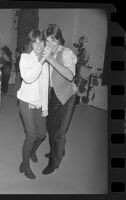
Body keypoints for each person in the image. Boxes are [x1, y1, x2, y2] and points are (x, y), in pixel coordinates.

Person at [42, 24, 78, 175]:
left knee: (58, 132)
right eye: (47, 41)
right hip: (51, 94)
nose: (50, 45)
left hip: (66, 96)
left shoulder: (67, 53)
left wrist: (50, 59)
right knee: (51, 128)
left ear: (59, 39)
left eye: (53, 41)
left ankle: (54, 162)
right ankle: (58, 151)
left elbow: (70, 75)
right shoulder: (46, 51)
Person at [17, 29, 51, 179]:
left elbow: (45, 87)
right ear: (31, 43)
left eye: (41, 41)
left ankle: (31, 151)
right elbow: (29, 77)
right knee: (31, 135)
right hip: (26, 102)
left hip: (39, 103)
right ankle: (25, 165)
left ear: (44, 42)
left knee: (42, 134)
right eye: (34, 42)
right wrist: (42, 60)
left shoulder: (47, 61)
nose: (38, 45)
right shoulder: (25, 57)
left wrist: (45, 107)